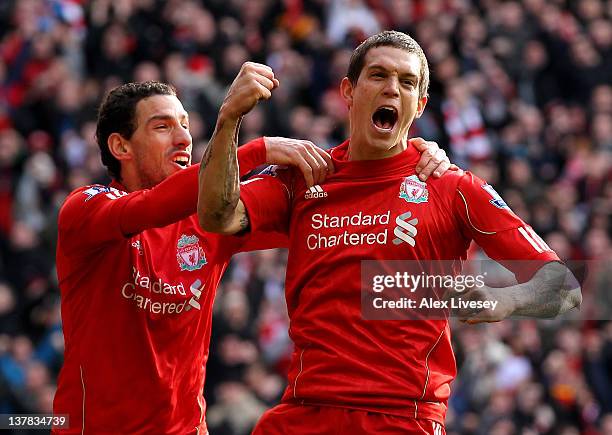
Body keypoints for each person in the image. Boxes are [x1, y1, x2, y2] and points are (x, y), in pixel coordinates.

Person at [198, 31, 582, 434]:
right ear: (349, 90)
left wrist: (507, 300)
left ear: (420, 105)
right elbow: (215, 216)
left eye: (407, 82)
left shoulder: (452, 187)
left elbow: (564, 288)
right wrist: (228, 122)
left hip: (401, 418)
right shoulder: (306, 178)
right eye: (378, 75)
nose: (392, 89)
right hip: (305, 410)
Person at [53, 80, 450, 434]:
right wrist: (257, 150)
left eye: (186, 125)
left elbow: (326, 200)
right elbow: (151, 207)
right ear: (120, 146)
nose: (183, 139)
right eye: (162, 127)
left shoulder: (207, 220)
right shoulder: (87, 211)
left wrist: (404, 158)